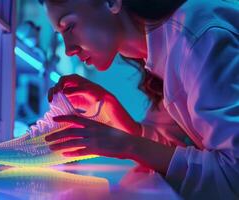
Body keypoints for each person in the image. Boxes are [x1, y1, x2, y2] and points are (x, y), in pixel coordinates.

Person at [38, 0, 239, 198]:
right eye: (61, 34)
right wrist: (121, 120)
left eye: (70, 26)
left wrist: (128, 145)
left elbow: (233, 175)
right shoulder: (160, 44)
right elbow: (170, 149)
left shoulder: (199, 38)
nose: (68, 49)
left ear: (112, 2)